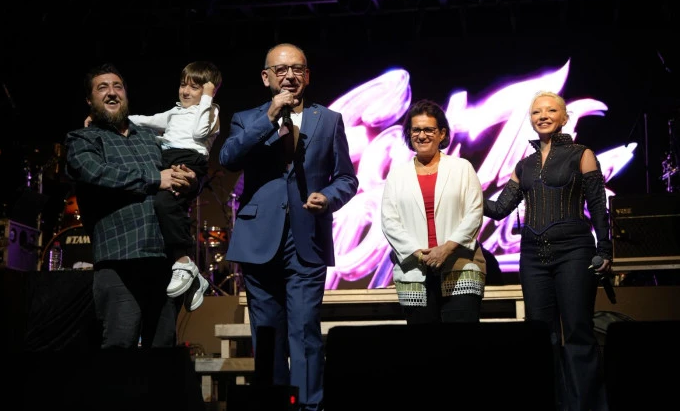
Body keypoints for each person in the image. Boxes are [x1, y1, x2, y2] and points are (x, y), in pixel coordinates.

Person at [218, 43, 358, 411]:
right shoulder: (246, 119)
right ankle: (274, 404)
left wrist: (328, 197)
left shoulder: (328, 119)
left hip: (307, 237)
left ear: (307, 76)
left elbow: (346, 178)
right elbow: (228, 157)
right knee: (267, 333)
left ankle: (310, 406)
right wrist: (269, 116)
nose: (289, 76)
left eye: (297, 69)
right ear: (266, 78)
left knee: (305, 328)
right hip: (258, 239)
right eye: (280, 70)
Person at [483, 90, 612, 411]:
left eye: (551, 110)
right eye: (537, 112)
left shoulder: (581, 154)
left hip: (574, 252)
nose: (543, 116)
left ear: (564, 117)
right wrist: (467, 195)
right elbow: (499, 209)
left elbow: (598, 204)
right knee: (542, 335)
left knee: (578, 331)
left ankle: (586, 406)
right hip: (533, 257)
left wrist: (605, 248)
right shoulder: (524, 165)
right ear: (531, 119)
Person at [65, 62, 198, 349]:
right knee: (119, 346)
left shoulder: (151, 138)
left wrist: (188, 180)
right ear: (89, 99)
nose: (112, 92)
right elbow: (97, 173)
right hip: (119, 260)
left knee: (162, 348)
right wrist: (156, 179)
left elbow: (176, 174)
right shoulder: (82, 139)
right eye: (102, 88)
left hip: (163, 260)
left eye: (118, 86)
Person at [128, 61, 222, 311]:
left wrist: (207, 98)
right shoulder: (175, 112)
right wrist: (116, 121)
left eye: (195, 87)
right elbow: (145, 121)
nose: (185, 91)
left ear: (209, 90)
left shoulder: (210, 112)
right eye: (183, 85)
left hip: (189, 160)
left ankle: (184, 261)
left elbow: (200, 133)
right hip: (167, 158)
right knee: (158, 208)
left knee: (166, 203)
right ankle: (192, 276)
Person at [381, 99, 486, 324]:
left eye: (429, 129)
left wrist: (446, 249)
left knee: (462, 340)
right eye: (416, 130)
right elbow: (389, 222)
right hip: (414, 270)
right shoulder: (397, 175)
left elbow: (475, 213)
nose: (422, 135)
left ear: (442, 134)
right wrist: (420, 254)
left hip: (460, 265)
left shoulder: (462, 168)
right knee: (424, 343)